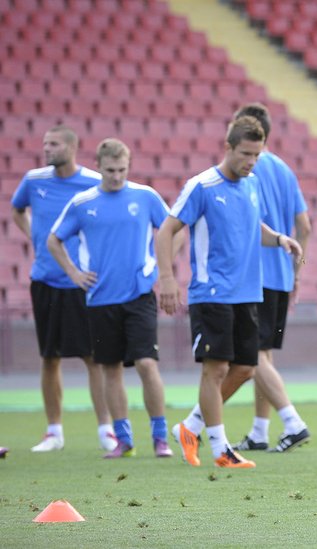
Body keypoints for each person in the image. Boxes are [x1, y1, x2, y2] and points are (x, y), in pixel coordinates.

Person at [156, 116, 302, 468]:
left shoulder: (252, 185)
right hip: (213, 292)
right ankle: (221, 449)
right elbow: (166, 231)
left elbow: (256, 228)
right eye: (246, 154)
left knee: (246, 368)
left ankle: (191, 427)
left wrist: (280, 238)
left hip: (248, 293)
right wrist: (168, 278)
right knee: (217, 368)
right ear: (229, 148)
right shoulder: (202, 186)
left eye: (257, 155)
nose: (251, 162)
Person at [47, 138, 174, 459]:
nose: (117, 176)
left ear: (128, 167)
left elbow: (175, 229)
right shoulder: (82, 203)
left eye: (122, 170)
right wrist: (75, 274)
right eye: (110, 170)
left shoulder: (145, 197)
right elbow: (53, 240)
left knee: (146, 363)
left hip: (139, 295)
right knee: (111, 369)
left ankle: (160, 437)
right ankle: (124, 439)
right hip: (100, 299)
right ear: (99, 166)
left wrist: (160, 266)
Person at [10, 125, 116, 453]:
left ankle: (106, 430)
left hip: (81, 282)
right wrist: (36, 239)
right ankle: (54, 432)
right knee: (49, 357)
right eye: (45, 143)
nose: (47, 148)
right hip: (44, 280)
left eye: (53, 143)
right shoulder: (34, 181)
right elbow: (17, 210)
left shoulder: (91, 183)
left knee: (92, 357)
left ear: (72, 147)